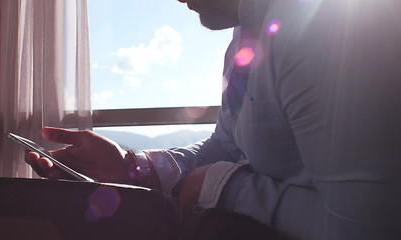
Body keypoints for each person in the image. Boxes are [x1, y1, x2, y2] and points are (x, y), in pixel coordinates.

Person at [26, 0, 401, 239]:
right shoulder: (244, 39)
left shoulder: (323, 29)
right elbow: (226, 143)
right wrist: (132, 168)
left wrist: (218, 190)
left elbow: (371, 229)